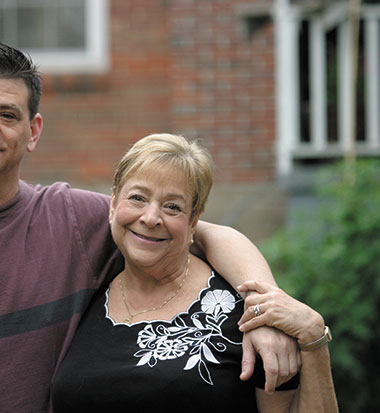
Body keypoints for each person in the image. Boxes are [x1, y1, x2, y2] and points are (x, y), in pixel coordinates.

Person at [0, 38, 297, 412]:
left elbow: (201, 232)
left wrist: (264, 309)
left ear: (33, 130)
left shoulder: (73, 221)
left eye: (8, 114)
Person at [51, 133, 337, 412]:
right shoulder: (87, 289)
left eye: (172, 207)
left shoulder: (246, 316)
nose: (151, 218)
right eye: (138, 198)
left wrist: (314, 340)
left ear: (193, 222)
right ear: (113, 204)